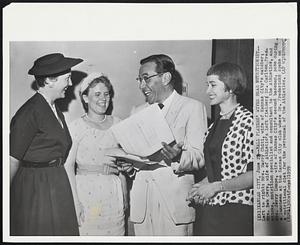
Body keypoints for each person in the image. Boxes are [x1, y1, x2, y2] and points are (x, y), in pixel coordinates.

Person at [124, 54, 207, 236]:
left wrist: (178, 157)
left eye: (146, 79)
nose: (141, 86)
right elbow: (135, 155)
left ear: (166, 77)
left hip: (175, 204)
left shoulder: (192, 108)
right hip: (142, 204)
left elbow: (200, 157)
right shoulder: (137, 112)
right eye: (139, 80)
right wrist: (128, 164)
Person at [10, 53, 83, 235]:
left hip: (56, 182)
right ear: (50, 80)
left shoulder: (54, 109)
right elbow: (11, 161)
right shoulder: (29, 113)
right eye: (67, 79)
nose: (70, 84)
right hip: (36, 188)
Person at [187, 62, 254, 236]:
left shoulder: (249, 122)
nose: (207, 91)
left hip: (236, 211)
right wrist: (199, 187)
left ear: (230, 87)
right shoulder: (213, 126)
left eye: (213, 85)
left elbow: (256, 174)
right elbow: (217, 171)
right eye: (207, 85)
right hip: (212, 210)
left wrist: (216, 187)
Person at [64, 73, 127, 236]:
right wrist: (75, 203)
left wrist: (125, 196)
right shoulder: (76, 127)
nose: (103, 99)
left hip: (114, 194)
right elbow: (68, 166)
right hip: (86, 195)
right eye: (97, 94)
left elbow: (123, 165)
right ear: (85, 98)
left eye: (106, 94)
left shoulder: (119, 124)